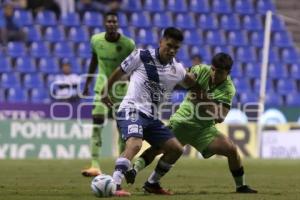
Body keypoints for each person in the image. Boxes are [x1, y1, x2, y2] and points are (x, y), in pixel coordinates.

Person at [127, 53, 258, 194]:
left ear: (228, 72)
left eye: (219, 72)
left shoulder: (228, 88)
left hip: (204, 130)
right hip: (182, 122)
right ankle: (134, 170)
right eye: (213, 69)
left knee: (231, 150)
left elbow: (220, 117)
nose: (214, 74)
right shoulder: (201, 70)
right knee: (158, 148)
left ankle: (241, 186)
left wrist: (202, 99)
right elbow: (185, 79)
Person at [101, 27, 196, 196]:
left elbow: (193, 84)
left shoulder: (178, 69)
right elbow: (119, 71)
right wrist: (105, 90)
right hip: (131, 109)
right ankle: (114, 184)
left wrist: (205, 92)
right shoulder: (141, 56)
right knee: (135, 144)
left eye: (176, 48)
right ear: (161, 42)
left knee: (176, 149)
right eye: (169, 45)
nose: (172, 50)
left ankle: (152, 183)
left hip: (151, 118)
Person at [81, 12, 135, 177]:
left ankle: (121, 166)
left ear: (117, 24)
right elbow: (94, 60)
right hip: (101, 89)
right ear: (105, 23)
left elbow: (133, 68)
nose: (111, 24)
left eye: (114, 21)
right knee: (97, 125)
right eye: (109, 21)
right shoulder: (96, 40)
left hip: (121, 92)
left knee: (122, 130)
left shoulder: (128, 44)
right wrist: (87, 84)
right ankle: (95, 165)